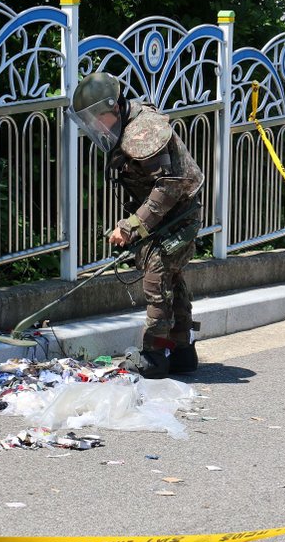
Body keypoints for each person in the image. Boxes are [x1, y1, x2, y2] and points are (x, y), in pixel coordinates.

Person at [69, 72, 204, 378]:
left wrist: (131, 226)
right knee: (171, 280)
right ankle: (183, 351)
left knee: (157, 283)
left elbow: (168, 187)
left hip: (177, 214)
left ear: (114, 107)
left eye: (97, 117)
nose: (95, 125)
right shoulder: (127, 123)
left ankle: (154, 356)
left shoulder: (142, 131)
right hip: (170, 214)